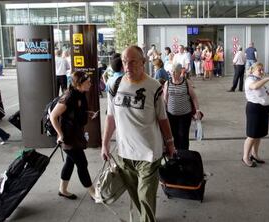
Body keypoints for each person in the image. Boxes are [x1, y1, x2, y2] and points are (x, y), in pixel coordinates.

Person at [102, 46, 175, 222]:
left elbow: (162, 119)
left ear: (143, 62)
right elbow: (110, 117)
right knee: (135, 195)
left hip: (149, 153)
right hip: (124, 154)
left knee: (145, 197)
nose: (128, 66)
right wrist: (105, 144)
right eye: (125, 62)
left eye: (133, 61)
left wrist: (170, 143)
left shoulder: (154, 86)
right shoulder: (114, 84)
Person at [50, 71, 96, 200]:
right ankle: (93, 193)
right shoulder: (68, 97)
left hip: (76, 135)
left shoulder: (80, 94)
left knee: (70, 162)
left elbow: (75, 111)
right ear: (79, 84)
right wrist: (60, 134)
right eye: (88, 82)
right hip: (67, 138)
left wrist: (87, 113)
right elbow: (53, 116)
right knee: (82, 163)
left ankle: (62, 190)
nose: (90, 84)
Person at [163, 63, 201, 150]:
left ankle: (184, 154)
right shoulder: (167, 83)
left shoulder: (186, 82)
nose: (173, 74)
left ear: (180, 72)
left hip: (185, 115)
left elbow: (194, 97)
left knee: (183, 135)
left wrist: (197, 110)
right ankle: (176, 154)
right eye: (172, 72)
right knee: (174, 135)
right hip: (171, 115)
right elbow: (165, 100)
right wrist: (163, 113)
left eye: (175, 72)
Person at [243, 62, 269, 167]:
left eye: (262, 70)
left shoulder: (259, 80)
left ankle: (254, 155)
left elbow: (267, 93)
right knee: (252, 135)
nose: (261, 71)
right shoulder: (250, 80)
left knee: (259, 135)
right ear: (253, 70)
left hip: (263, 109)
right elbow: (255, 87)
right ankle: (245, 157)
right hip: (254, 109)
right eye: (259, 70)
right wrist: (267, 79)